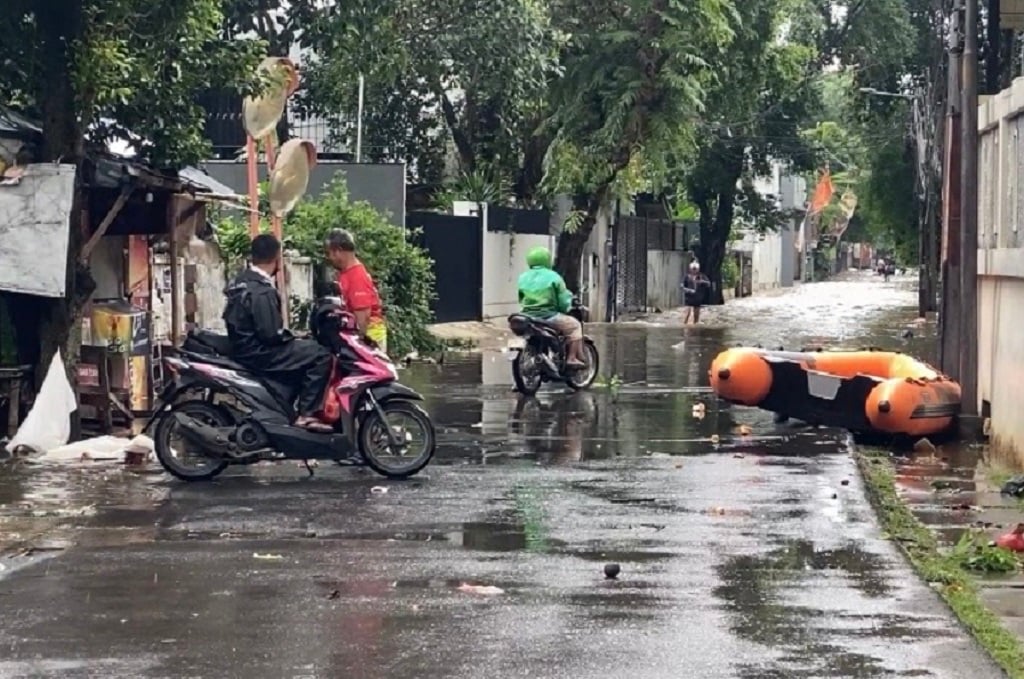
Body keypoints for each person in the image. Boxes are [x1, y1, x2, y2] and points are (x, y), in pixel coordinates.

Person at [223, 234, 333, 432]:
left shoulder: (241, 281)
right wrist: (292, 337)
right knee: (321, 355)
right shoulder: (262, 290)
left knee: (304, 349)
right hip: (260, 352)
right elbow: (270, 334)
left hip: (246, 348)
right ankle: (306, 414)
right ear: (277, 258)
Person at [517, 246, 584, 367]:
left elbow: (521, 298)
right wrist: (566, 308)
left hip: (527, 316)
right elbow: (563, 300)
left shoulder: (523, 277)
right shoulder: (554, 277)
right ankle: (572, 358)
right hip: (548, 316)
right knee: (575, 326)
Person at [324, 229, 388, 354]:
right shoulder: (346, 273)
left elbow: (362, 319)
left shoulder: (356, 277)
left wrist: (356, 348)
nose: (330, 258)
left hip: (369, 338)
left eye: (330, 253)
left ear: (339, 251)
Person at [682, 260, 710, 325]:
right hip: (688, 299)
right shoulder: (687, 277)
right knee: (686, 314)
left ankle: (695, 330)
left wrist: (702, 281)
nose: (694, 270)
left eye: (695, 269)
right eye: (693, 269)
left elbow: (708, 284)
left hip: (698, 299)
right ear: (690, 269)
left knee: (696, 317)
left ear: (698, 269)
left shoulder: (702, 276)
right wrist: (689, 290)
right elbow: (682, 286)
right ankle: (684, 328)